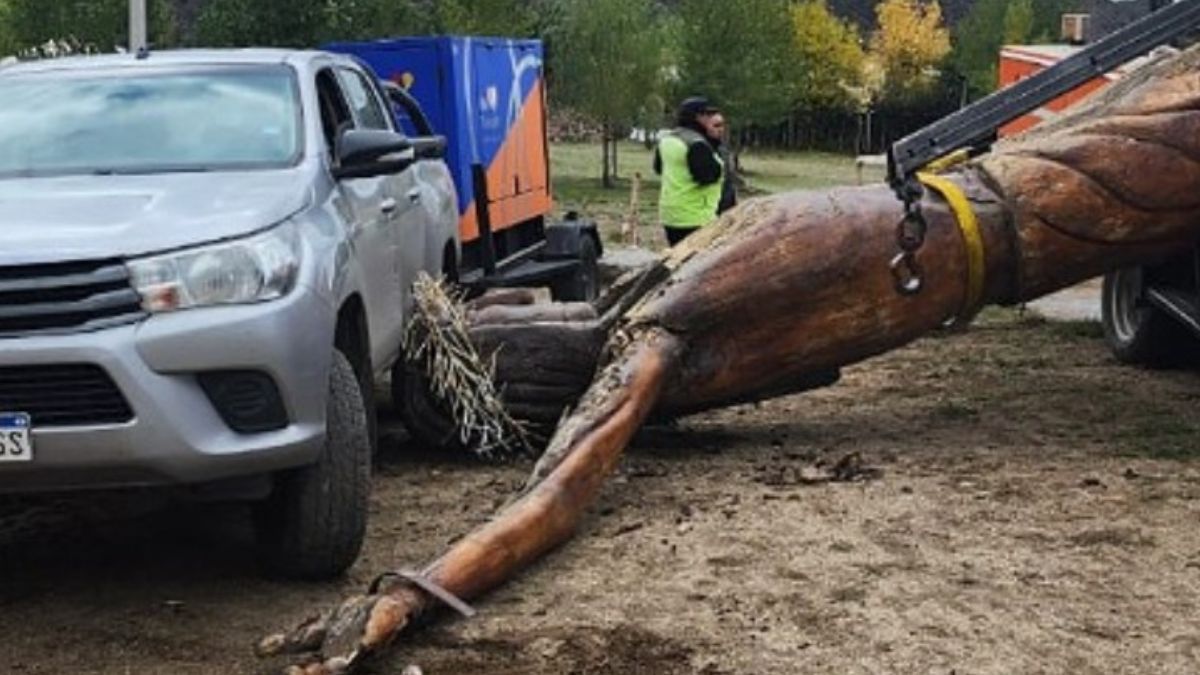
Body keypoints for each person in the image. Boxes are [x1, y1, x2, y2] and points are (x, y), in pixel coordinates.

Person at [653, 96, 733, 246]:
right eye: (708, 115)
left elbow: (658, 168)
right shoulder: (697, 144)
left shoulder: (667, 139)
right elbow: (708, 176)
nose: (710, 119)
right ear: (699, 117)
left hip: (670, 214)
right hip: (696, 217)